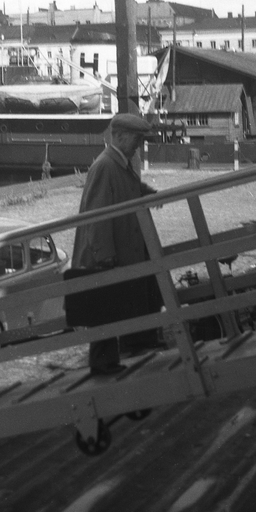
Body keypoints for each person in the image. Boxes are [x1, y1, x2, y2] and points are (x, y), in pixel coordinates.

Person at [65, 113, 162, 376]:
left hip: (119, 249)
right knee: (105, 309)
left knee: (111, 309)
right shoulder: (105, 166)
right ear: (118, 136)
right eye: (136, 139)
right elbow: (96, 216)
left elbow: (127, 188)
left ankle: (112, 360)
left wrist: (146, 192)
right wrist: (105, 255)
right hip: (105, 255)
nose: (139, 145)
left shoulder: (120, 163)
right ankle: (102, 365)